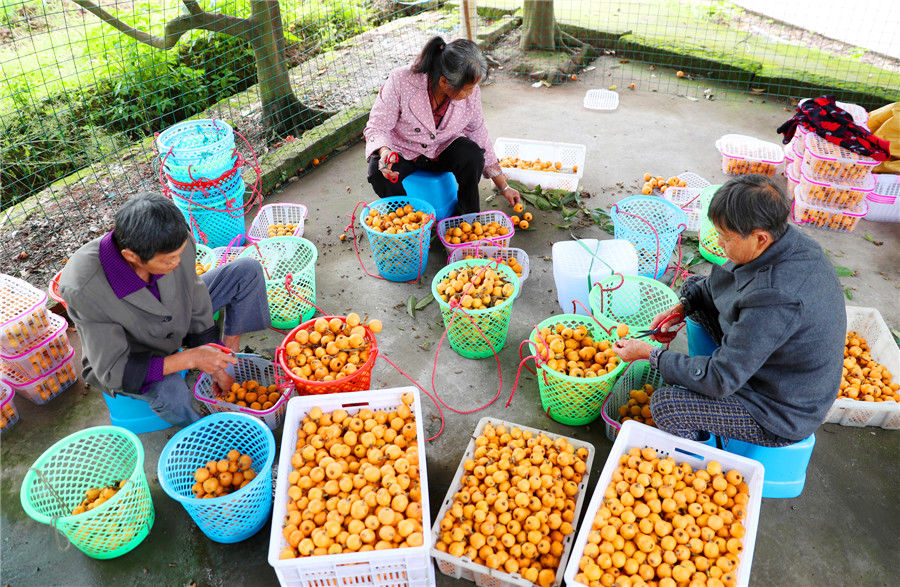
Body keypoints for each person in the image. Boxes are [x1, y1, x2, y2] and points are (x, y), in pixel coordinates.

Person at [612, 175, 846, 446]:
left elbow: (719, 378)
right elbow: (714, 287)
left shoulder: (775, 299)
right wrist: (682, 307)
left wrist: (649, 355)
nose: (720, 245)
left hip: (780, 409)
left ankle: (702, 449)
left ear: (760, 238)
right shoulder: (783, 241)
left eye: (726, 238)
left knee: (667, 406)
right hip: (771, 364)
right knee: (697, 291)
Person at [58, 192, 271, 426]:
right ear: (131, 256)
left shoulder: (175, 241)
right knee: (172, 393)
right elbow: (114, 369)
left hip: (175, 313)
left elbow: (195, 293)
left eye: (179, 255)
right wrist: (192, 359)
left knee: (246, 272)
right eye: (169, 260)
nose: (177, 263)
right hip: (133, 351)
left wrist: (219, 357)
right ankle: (202, 430)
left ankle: (231, 362)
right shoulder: (83, 287)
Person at [364, 35, 521, 214]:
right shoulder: (400, 80)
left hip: (441, 149)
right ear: (444, 82)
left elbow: (478, 131)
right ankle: (405, 220)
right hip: (403, 150)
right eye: (467, 89)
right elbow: (377, 125)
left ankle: (467, 217)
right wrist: (385, 152)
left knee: (473, 156)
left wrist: (503, 186)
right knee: (378, 173)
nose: (472, 93)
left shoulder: (471, 90)